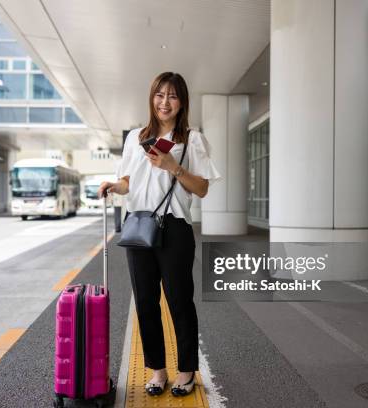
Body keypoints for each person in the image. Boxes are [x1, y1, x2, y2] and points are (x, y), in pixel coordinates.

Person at [98, 72, 220, 397]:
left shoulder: (191, 139)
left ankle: (185, 372)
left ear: (182, 103)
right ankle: (157, 370)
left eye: (173, 96)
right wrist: (114, 186)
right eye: (160, 95)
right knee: (146, 304)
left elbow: (203, 189)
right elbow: (128, 182)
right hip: (139, 227)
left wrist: (173, 166)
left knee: (180, 302)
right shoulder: (135, 138)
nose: (165, 102)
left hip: (175, 229)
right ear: (152, 98)